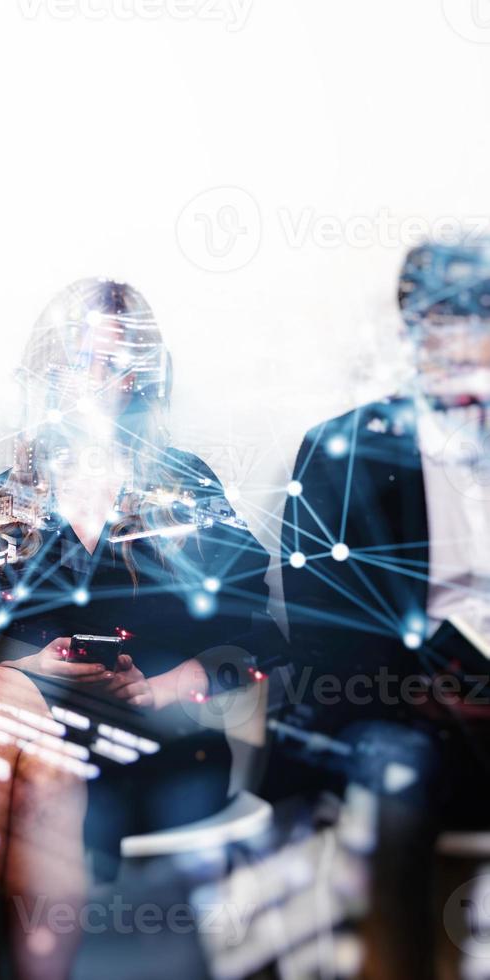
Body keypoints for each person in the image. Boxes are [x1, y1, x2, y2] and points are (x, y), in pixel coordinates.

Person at [0, 279, 272, 978]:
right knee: (9, 710)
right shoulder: (4, 498)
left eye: (111, 363)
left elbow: (255, 638)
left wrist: (175, 682)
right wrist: (35, 667)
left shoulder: (185, 487)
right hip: (34, 730)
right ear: (43, 375)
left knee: (3, 710)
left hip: (161, 733)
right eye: (72, 363)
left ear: (139, 376)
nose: (92, 381)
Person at [276, 239, 490, 976]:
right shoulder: (341, 450)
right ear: (410, 333)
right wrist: (423, 694)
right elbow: (315, 626)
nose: (459, 344)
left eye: (476, 321)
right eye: (439, 323)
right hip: (399, 712)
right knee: (391, 773)